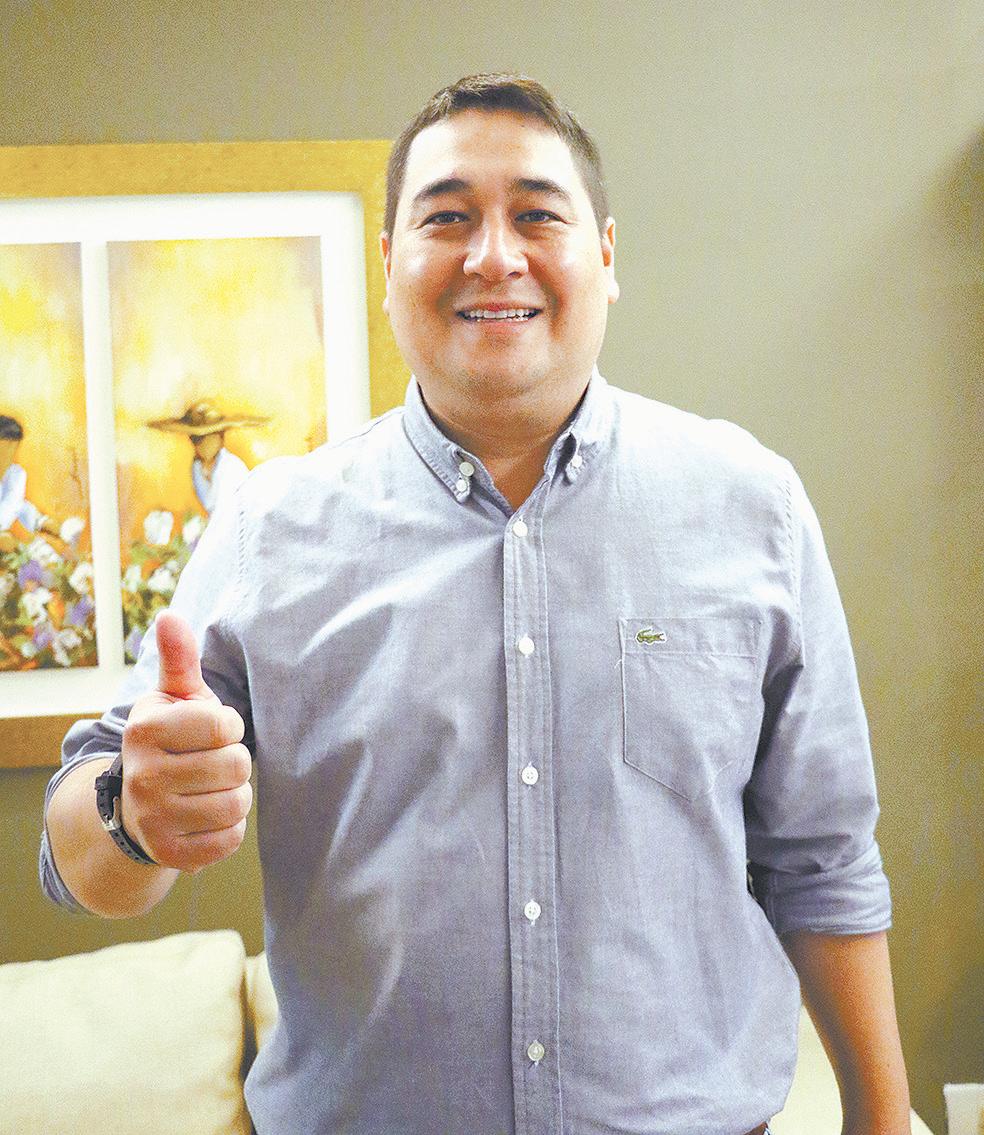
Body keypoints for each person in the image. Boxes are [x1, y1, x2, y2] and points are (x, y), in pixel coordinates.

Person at [40, 75, 912, 1134]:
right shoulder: (269, 527)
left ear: (606, 256)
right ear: (389, 265)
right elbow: (78, 862)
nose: (494, 255)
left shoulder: (753, 507)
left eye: (538, 214)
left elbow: (823, 861)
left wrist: (882, 1115)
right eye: (447, 217)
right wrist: (133, 815)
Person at [147, 399, 267, 515]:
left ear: (220, 437)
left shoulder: (232, 467)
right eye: (196, 439)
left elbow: (233, 513)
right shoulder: (197, 467)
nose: (201, 445)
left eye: (207, 438)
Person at [0, 414, 64, 551]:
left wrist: (40, 521)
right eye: (3, 452)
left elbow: (16, 504)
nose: (7, 458)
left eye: (12, 450)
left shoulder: (15, 474)